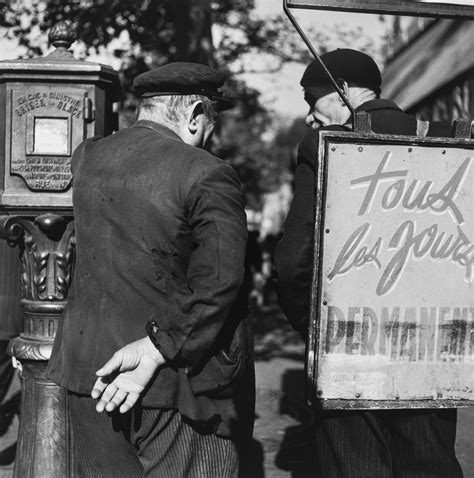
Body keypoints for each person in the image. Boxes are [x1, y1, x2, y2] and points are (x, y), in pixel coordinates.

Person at [47, 62, 254, 477]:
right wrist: (156, 347)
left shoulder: (87, 159)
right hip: (178, 386)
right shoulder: (207, 172)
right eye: (210, 123)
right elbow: (219, 281)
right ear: (196, 113)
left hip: (87, 373)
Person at [273, 49, 462, 477]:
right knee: (429, 464)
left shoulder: (324, 145)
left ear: (340, 92)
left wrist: (319, 330)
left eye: (311, 100)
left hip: (349, 350)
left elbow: (292, 264)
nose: (308, 116)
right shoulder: (447, 137)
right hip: (433, 350)